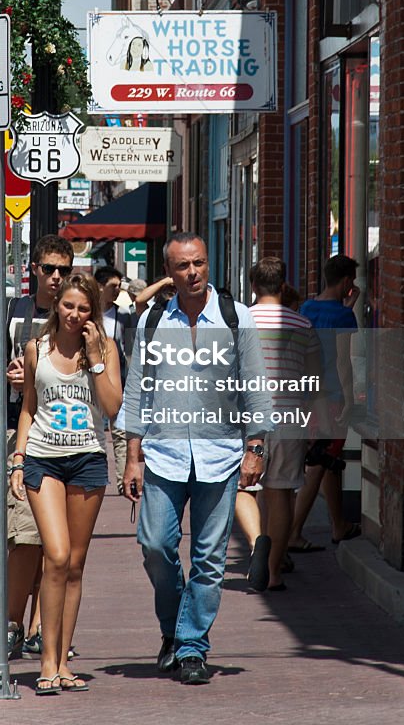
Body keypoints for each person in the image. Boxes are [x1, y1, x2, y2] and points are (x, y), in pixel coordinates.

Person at [120, 232, 271, 685]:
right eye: (183, 266)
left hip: (220, 454)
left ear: (209, 264)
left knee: (209, 559)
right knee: (155, 546)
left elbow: (255, 385)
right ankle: (174, 630)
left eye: (199, 264)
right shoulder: (151, 321)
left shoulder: (234, 316)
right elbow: (137, 391)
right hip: (163, 454)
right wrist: (132, 456)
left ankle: (190, 648)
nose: (193, 273)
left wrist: (255, 448)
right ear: (170, 272)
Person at [10, 274, 122, 694]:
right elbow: (28, 410)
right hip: (44, 459)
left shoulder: (106, 349)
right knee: (55, 555)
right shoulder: (36, 349)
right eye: (68, 306)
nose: (74, 315)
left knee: (74, 565)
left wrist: (95, 358)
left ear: (94, 313)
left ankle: (61, 661)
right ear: (57, 306)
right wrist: (19, 459)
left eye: (83, 308)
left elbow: (113, 408)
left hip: (88, 461)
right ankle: (44, 661)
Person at [0, 234, 74, 661]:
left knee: (53, 539)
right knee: (24, 535)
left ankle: (40, 628)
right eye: (48, 269)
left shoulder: (75, 315)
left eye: (63, 270)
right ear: (34, 270)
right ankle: (15, 626)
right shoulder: (12, 311)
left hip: (60, 433)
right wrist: (8, 374)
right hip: (16, 432)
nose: (56, 278)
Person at [248, 258, 322, 589]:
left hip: (247, 420)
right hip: (290, 417)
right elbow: (315, 379)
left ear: (253, 287)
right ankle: (274, 572)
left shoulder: (239, 322)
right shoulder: (304, 325)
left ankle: (255, 549)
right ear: (282, 286)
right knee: (280, 495)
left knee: (241, 489)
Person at [288, 254, 361, 551]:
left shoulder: (306, 308)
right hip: (330, 397)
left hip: (306, 395)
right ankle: (292, 533)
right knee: (318, 463)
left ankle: (338, 524)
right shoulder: (344, 317)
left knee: (329, 462)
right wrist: (350, 398)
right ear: (346, 282)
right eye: (352, 281)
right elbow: (343, 361)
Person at [93, 266, 136, 493]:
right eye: (113, 286)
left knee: (120, 432)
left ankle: (123, 481)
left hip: (117, 379)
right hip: (91, 381)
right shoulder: (87, 313)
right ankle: (95, 478)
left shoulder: (123, 314)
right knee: (94, 430)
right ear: (99, 286)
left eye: (120, 286)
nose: (117, 290)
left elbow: (130, 347)